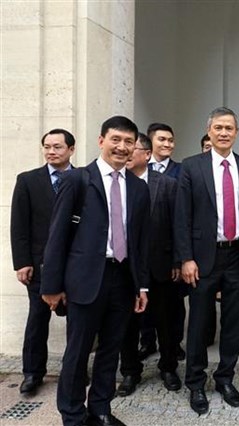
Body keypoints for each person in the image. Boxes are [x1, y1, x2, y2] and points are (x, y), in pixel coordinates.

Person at [41, 116, 150, 426]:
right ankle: (73, 415)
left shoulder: (138, 188)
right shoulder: (77, 180)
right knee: (77, 352)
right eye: (116, 139)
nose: (122, 147)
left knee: (111, 349)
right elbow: (57, 234)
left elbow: (140, 242)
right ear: (101, 140)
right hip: (85, 279)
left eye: (129, 142)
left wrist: (142, 287)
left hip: (122, 278)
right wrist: (51, 285)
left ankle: (100, 409)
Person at [175, 107, 239, 414]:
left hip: (237, 255)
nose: (224, 132)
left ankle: (225, 378)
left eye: (229, 128)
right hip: (202, 257)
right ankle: (196, 383)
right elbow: (181, 217)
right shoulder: (191, 166)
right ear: (209, 131)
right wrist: (186, 258)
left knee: (233, 323)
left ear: (236, 133)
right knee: (198, 323)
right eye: (219, 128)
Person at [10, 129, 75, 396]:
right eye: (47, 146)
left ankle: (75, 372)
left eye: (57, 147)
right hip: (39, 265)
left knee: (77, 322)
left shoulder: (83, 179)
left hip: (75, 264)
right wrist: (22, 262)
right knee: (37, 319)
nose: (51, 151)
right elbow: (19, 225)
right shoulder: (28, 180)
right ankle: (32, 373)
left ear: (71, 149)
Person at [117, 133, 181, 397]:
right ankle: (130, 371)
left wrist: (178, 259)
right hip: (125, 268)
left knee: (166, 322)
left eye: (134, 149)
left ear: (146, 154)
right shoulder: (117, 183)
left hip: (161, 265)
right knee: (127, 324)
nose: (128, 153)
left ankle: (168, 367)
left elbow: (179, 224)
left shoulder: (166, 184)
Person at [141, 122, 185, 362]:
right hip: (140, 255)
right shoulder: (135, 170)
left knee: (171, 307)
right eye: (162, 140)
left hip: (166, 254)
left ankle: (172, 345)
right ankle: (146, 341)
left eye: (170, 140)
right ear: (149, 144)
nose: (167, 144)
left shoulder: (181, 171)